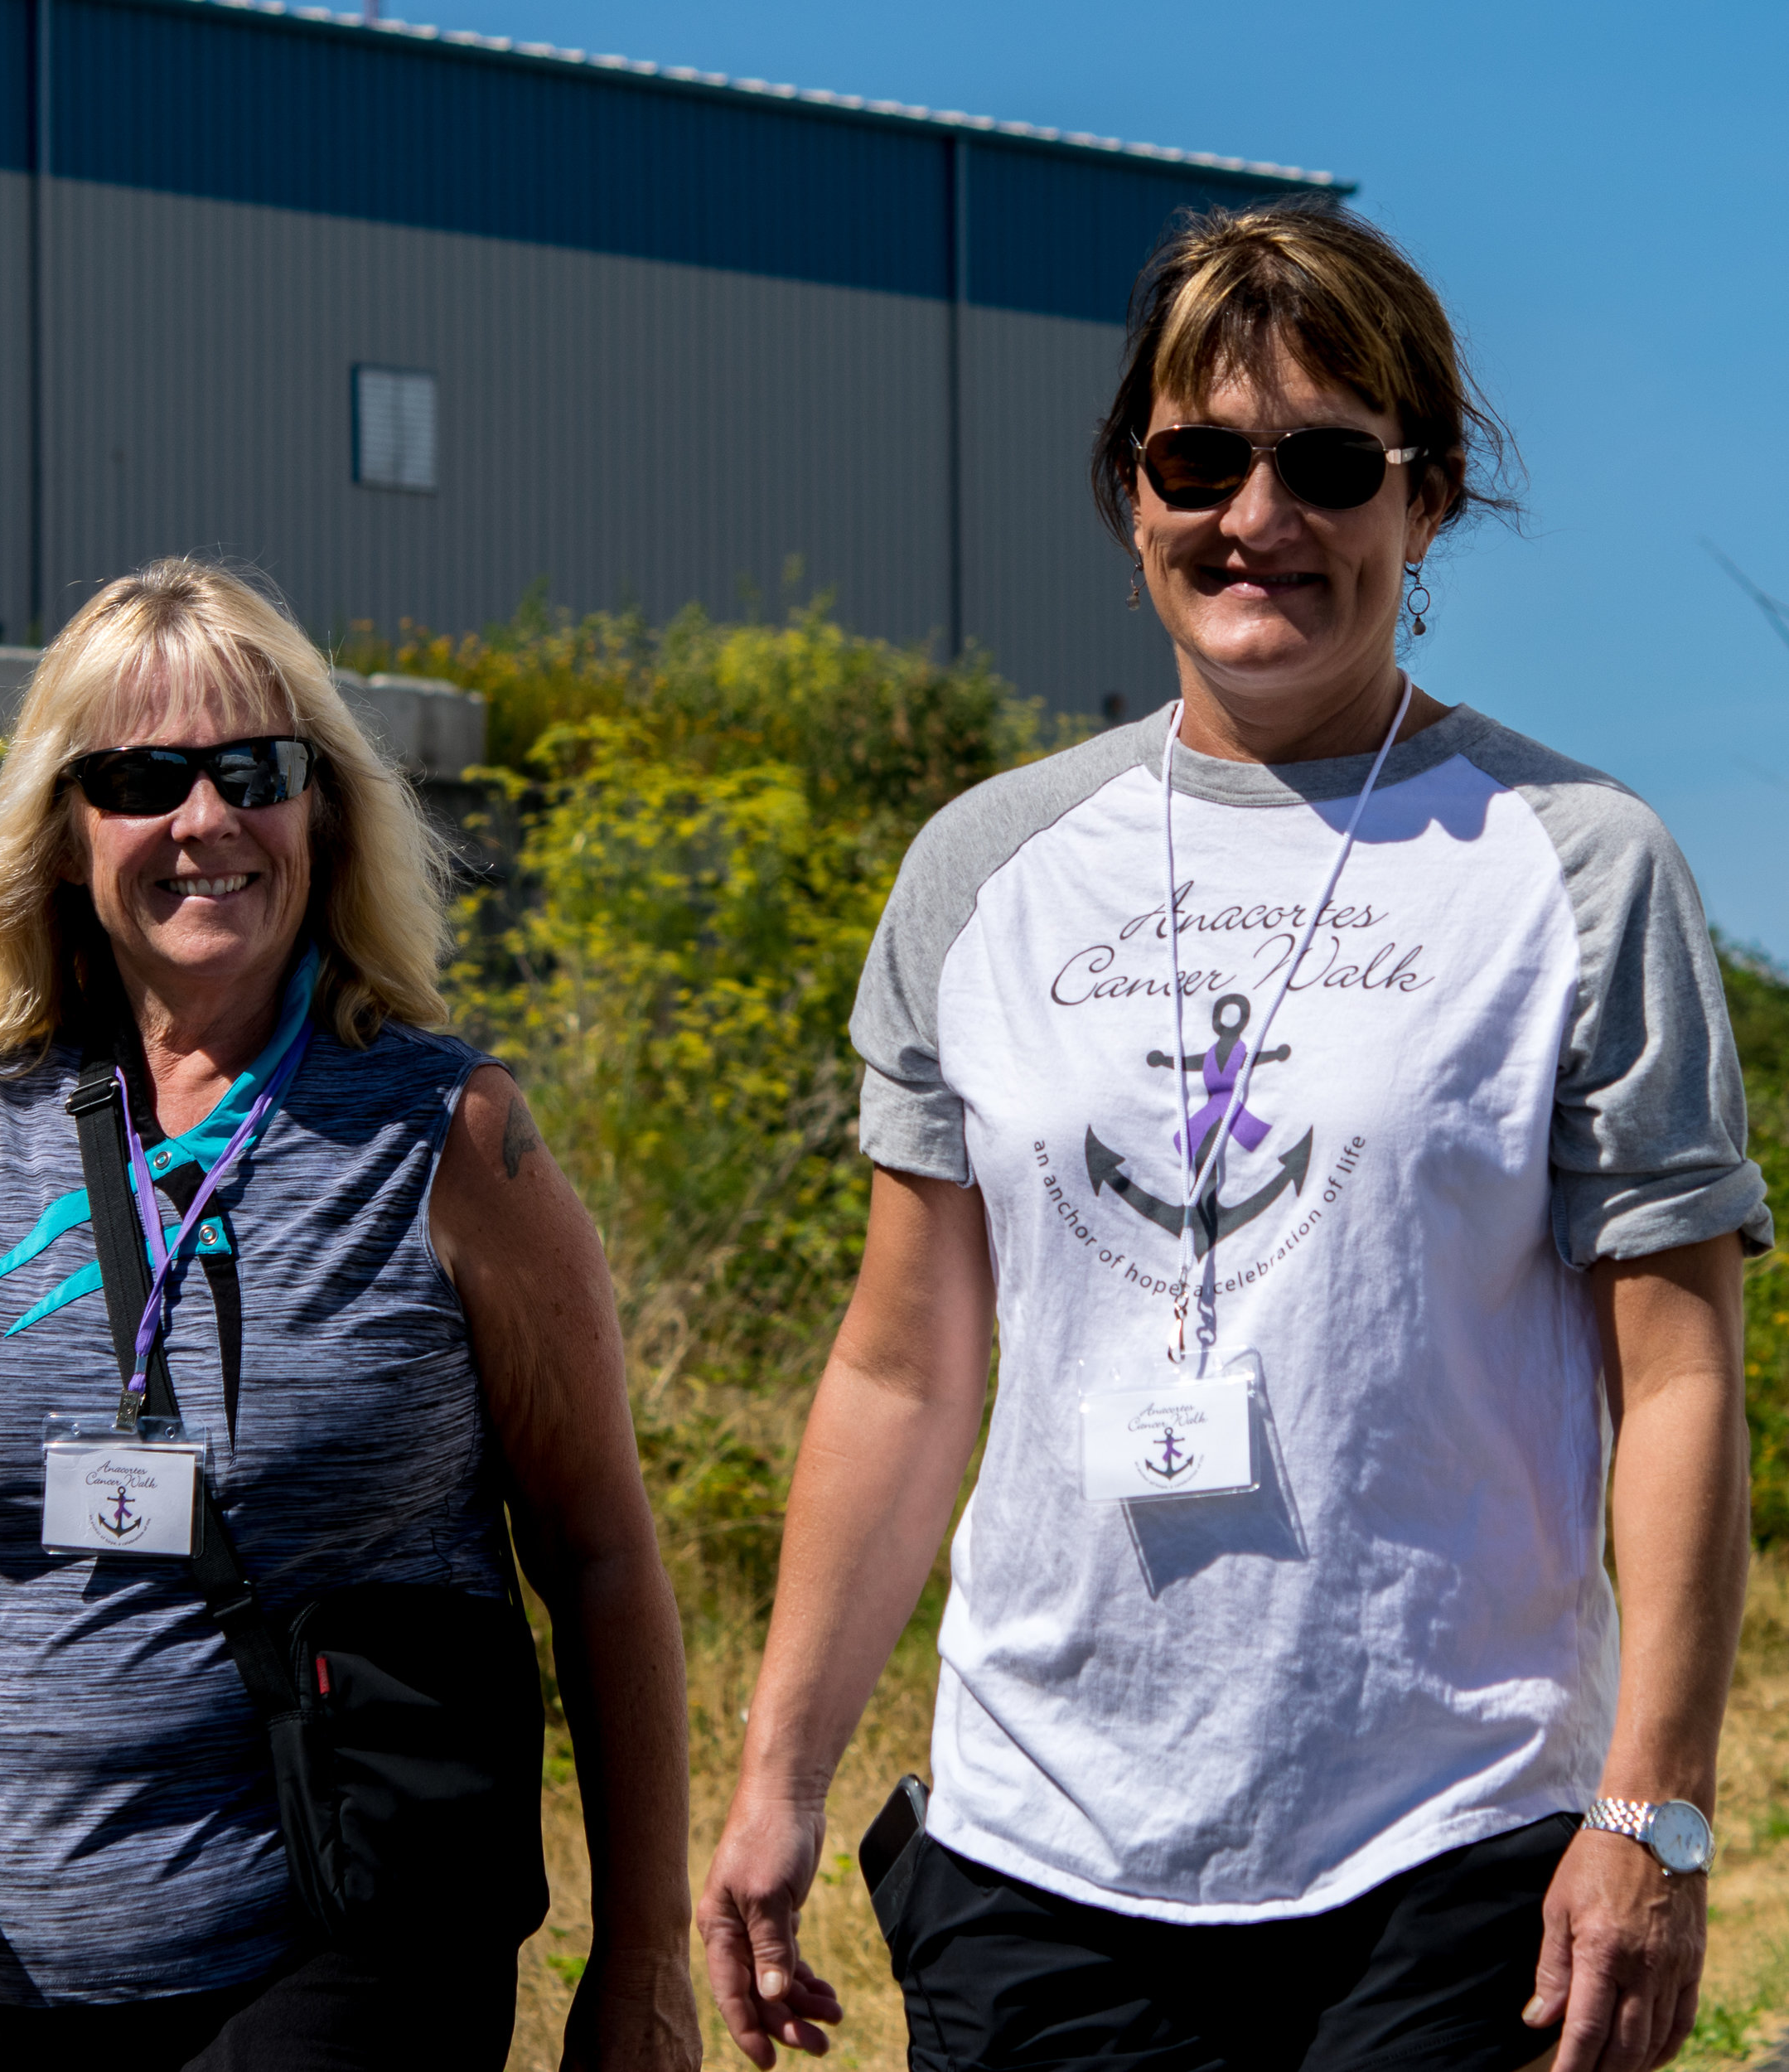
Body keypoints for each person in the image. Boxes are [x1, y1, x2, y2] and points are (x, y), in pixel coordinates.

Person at [699, 200, 1763, 2072]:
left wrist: (1649, 1809)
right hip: (1040, 1847)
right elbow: (898, 1361)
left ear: (1420, 507)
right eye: (1199, 456)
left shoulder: (1574, 864)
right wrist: (775, 1771)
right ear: (1131, 491)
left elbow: (1673, 1378)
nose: (1255, 516)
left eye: (1327, 461)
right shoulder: (984, 870)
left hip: (1445, 1852)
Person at [0, 559, 702, 2070]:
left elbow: (597, 1550)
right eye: (141, 777)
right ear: (68, 836)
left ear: (322, 812)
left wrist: (645, 1958)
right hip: (19, 1968)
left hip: (344, 1940)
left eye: (254, 769)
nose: (205, 821)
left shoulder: (450, 1135)